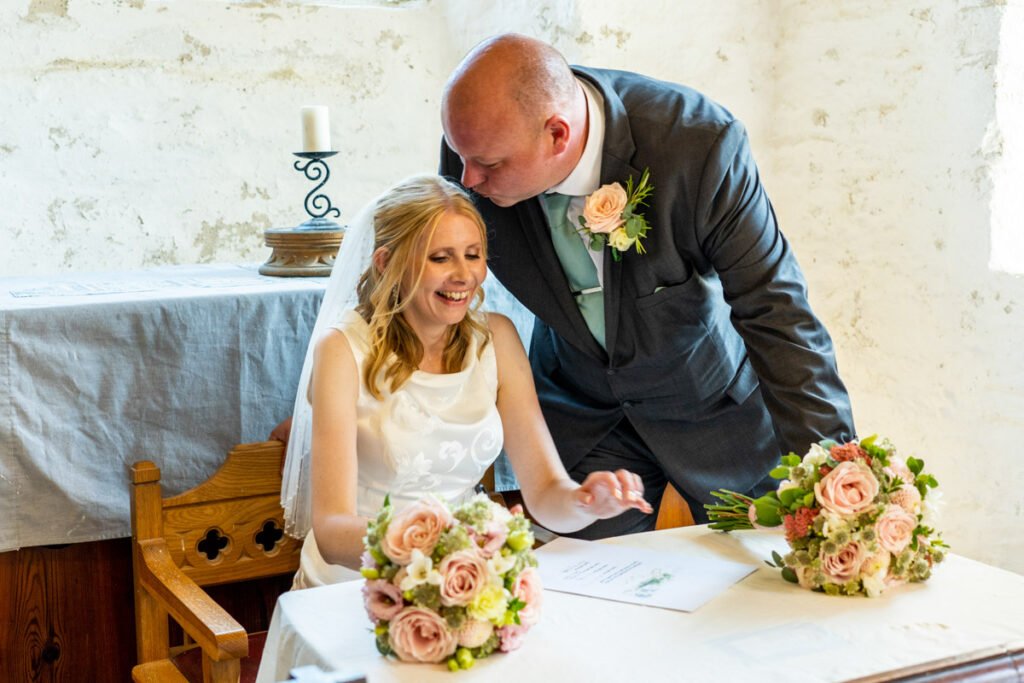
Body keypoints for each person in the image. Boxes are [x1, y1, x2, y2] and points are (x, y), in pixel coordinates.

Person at [439, 34, 856, 539]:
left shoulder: (699, 146)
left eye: (489, 166)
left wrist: (839, 473)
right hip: (581, 411)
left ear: (557, 134)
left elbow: (776, 309)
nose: (469, 180)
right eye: (465, 159)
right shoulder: (475, 148)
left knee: (766, 582)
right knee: (587, 596)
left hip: (710, 406)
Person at [281, 174, 652, 588]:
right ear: (386, 264)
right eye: (440, 258)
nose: (464, 275)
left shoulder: (497, 338)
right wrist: (440, 549)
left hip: (465, 573)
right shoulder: (342, 350)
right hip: (361, 576)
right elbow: (332, 532)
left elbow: (546, 492)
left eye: (473, 255)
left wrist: (586, 502)